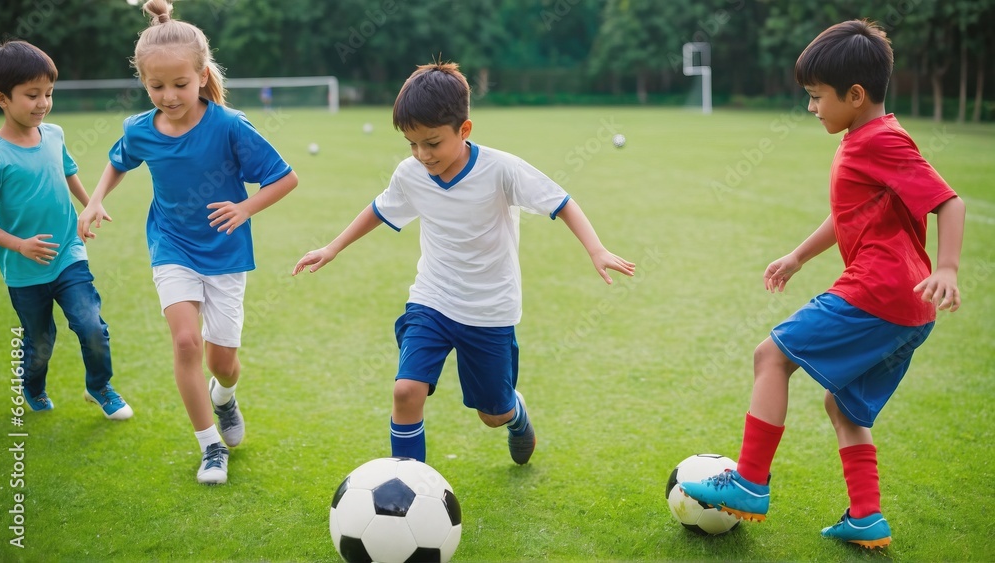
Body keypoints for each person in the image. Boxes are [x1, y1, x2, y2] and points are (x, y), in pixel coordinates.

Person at [679, 20, 965, 549]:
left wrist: (946, 268)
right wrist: (797, 256)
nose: (812, 108)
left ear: (855, 96)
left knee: (771, 356)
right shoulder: (868, 137)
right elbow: (848, 214)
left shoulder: (880, 141)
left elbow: (949, 202)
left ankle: (750, 482)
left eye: (817, 97)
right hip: (908, 310)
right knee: (844, 407)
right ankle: (866, 518)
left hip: (879, 291)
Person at [293, 61, 635, 465]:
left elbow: (561, 202)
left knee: (493, 414)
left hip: (489, 310)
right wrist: (332, 247)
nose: (423, 155)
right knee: (405, 391)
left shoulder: (501, 169)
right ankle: (406, 489)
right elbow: (380, 209)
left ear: (464, 130)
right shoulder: (411, 173)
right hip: (432, 300)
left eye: (433, 143)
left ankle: (515, 414)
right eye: (413, 144)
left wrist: (596, 249)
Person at [78, 0, 298, 485]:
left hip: (225, 253)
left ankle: (225, 397)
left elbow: (284, 178)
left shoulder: (229, 125)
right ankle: (210, 446)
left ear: (201, 75)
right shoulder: (140, 129)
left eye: (179, 84)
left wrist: (244, 209)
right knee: (184, 342)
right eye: (156, 86)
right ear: (143, 82)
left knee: (224, 362)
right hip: (172, 246)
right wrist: (94, 200)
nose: (168, 96)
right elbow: (119, 159)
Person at [0, 40, 133, 421]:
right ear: (2, 98)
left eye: (49, 94)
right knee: (40, 342)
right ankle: (33, 387)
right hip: (24, 269)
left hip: (69, 252)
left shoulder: (53, 134)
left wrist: (91, 203)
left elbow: (68, 170)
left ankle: (99, 386)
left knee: (91, 324)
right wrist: (19, 245)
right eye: (32, 95)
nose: (43, 103)